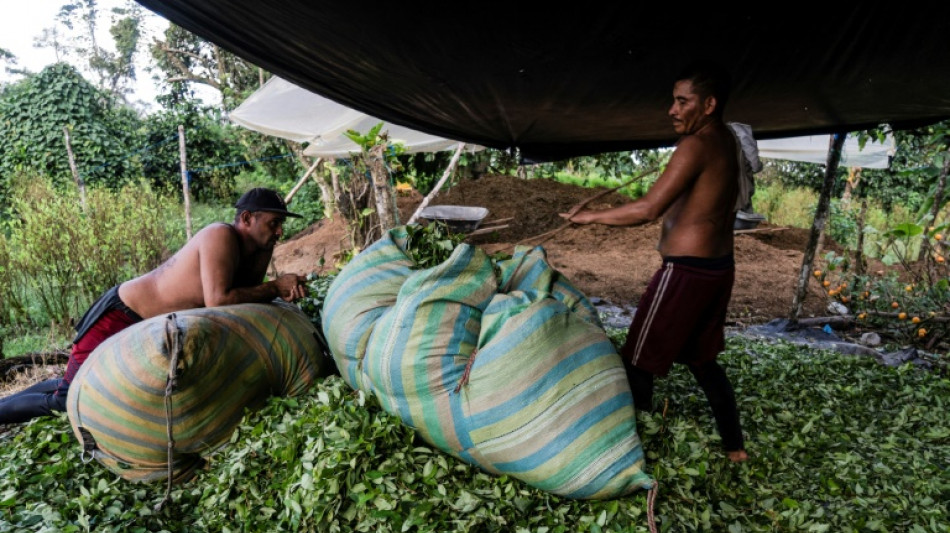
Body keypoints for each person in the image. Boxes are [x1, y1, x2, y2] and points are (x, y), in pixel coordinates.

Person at [559, 60, 749, 462]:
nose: (672, 110)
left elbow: (648, 209)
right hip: (717, 270)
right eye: (673, 101)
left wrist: (587, 217)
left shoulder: (696, 145)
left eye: (683, 101)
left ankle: (628, 454)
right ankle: (736, 450)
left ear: (709, 104)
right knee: (702, 360)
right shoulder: (724, 141)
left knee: (636, 361)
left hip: (686, 271)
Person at [0, 187, 309, 425]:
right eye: (273, 223)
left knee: (73, 383)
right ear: (246, 218)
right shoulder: (220, 235)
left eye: (280, 224)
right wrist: (274, 287)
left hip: (146, 323)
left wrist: (277, 283)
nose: (280, 232)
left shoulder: (258, 247)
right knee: (69, 399)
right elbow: (219, 300)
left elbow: (248, 295)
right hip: (120, 313)